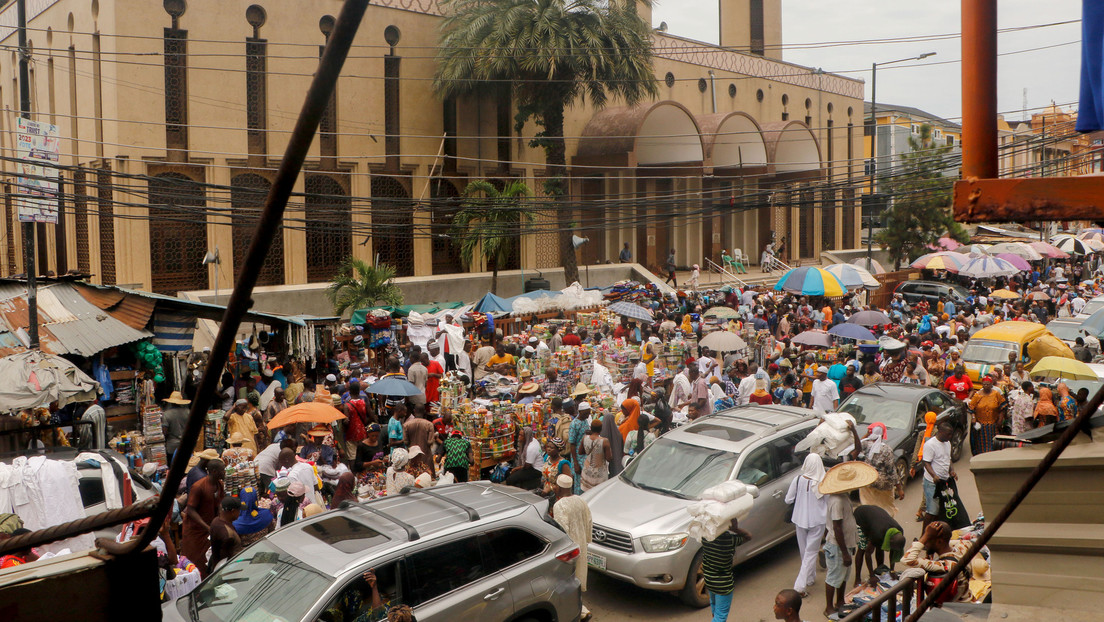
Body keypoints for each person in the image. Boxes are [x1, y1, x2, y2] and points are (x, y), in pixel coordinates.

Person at [819, 461, 872, 618]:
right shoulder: (836, 501)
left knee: (843, 576)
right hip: (837, 546)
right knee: (834, 577)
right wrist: (845, 553)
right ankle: (829, 607)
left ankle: (840, 601)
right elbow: (837, 528)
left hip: (846, 544)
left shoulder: (843, 497)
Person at [550, 473, 594, 622]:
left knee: (569, 581)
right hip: (581, 544)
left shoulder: (559, 505)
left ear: (559, 488)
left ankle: (579, 610)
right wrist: (586, 540)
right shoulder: (581, 500)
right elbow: (589, 521)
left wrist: (562, 552)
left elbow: (562, 531)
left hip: (570, 551)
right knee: (578, 579)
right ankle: (582, 610)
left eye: (555, 486)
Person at [785, 454, 827, 598]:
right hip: (818, 520)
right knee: (811, 552)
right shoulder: (824, 481)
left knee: (805, 552)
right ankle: (800, 585)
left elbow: (788, 499)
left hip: (800, 519)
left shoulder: (797, 479)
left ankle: (810, 578)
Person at [902, 521, 972, 603]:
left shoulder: (945, 565)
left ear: (939, 542)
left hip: (955, 610)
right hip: (968, 601)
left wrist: (925, 537)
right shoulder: (964, 545)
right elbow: (949, 542)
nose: (925, 544)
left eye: (928, 539)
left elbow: (907, 559)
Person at [702, 515, 752, 622]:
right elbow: (748, 536)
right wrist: (735, 529)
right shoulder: (729, 540)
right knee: (720, 616)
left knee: (715, 610)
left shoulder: (705, 538)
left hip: (709, 581)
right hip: (723, 585)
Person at [182, 459, 225, 578]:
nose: (225, 472)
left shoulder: (219, 485)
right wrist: (207, 527)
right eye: (223, 470)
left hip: (210, 527)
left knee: (209, 557)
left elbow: (219, 504)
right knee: (195, 559)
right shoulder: (199, 486)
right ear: (215, 471)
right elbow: (190, 510)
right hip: (196, 530)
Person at [852, 504, 906, 587]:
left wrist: (892, 571)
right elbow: (868, 553)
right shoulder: (878, 534)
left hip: (876, 518)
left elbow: (893, 552)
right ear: (890, 541)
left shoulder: (899, 531)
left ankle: (879, 571)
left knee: (880, 546)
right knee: (862, 548)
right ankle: (857, 578)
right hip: (861, 516)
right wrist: (872, 576)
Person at [858, 422, 903, 516]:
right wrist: (899, 488)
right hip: (883, 485)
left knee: (869, 508)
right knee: (886, 510)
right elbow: (891, 472)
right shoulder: (886, 450)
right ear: (883, 434)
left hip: (868, 482)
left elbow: (858, 444)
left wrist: (867, 434)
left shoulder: (866, 445)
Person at [921, 422, 956, 528]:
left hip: (944, 481)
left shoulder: (947, 443)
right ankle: (923, 537)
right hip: (932, 483)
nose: (950, 437)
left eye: (951, 434)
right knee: (932, 511)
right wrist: (934, 475)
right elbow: (926, 462)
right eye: (948, 434)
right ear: (940, 432)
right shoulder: (930, 445)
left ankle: (934, 534)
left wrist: (952, 471)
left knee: (941, 510)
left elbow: (948, 459)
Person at [967, 376, 1005, 455]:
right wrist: (973, 417)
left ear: (991, 385)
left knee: (994, 444)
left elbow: (1003, 407)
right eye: (984, 384)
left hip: (994, 425)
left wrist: (1000, 420)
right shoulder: (977, 395)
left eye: (988, 384)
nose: (986, 386)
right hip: (981, 426)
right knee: (981, 445)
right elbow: (971, 408)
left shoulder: (996, 394)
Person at [208, 496, 242, 572]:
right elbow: (225, 561)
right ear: (233, 511)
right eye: (239, 510)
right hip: (228, 572)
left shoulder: (216, 521)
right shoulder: (227, 535)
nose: (240, 513)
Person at [579, 419, 611, 491]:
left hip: (587, 471)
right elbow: (609, 458)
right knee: (599, 493)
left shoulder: (585, 438)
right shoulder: (604, 441)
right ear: (601, 429)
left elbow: (580, 452)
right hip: (600, 473)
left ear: (591, 428)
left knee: (587, 493)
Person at [161, 391, 191, 462]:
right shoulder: (188, 412)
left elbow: (165, 431)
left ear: (170, 402)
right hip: (186, 444)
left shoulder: (167, 414)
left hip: (172, 446)